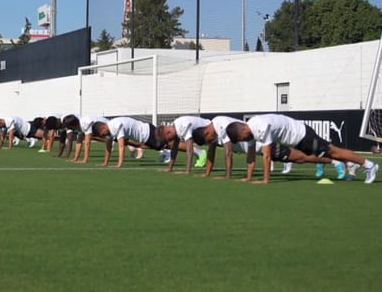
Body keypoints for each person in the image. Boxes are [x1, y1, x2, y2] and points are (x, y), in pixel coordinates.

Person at [225, 113, 379, 184]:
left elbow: (266, 155)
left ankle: (369, 165)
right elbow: (251, 156)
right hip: (297, 140)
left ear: (243, 130)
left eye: (241, 139)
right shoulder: (249, 131)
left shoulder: (259, 126)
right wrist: (248, 177)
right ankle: (349, 163)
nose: (243, 141)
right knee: (328, 154)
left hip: (303, 135)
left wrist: (265, 180)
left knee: (334, 151)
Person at [192, 115, 339, 179]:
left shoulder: (219, 124)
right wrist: (207, 173)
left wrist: (228, 175)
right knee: (299, 158)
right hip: (256, 148)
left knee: (300, 157)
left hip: (263, 144)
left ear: (207, 133)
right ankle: (333, 160)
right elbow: (211, 152)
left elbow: (228, 152)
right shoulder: (213, 131)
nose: (210, 143)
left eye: (207, 141)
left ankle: (335, 160)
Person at [91, 117, 177, 168]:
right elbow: (108, 146)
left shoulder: (114, 126)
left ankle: (185, 149)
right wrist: (105, 163)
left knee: (168, 145)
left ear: (103, 128)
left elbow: (121, 146)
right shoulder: (110, 127)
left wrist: (119, 164)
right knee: (160, 146)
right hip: (144, 135)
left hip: (147, 133)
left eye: (101, 134)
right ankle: (166, 150)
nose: (102, 136)